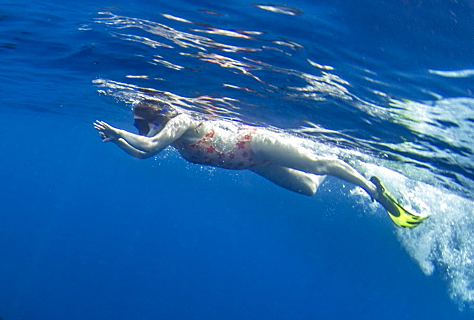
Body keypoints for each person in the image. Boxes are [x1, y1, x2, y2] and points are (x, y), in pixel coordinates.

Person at [93, 99, 426, 228]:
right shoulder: (168, 137)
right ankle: (343, 159)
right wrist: (119, 141)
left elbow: (150, 144)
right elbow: (143, 153)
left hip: (254, 142)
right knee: (310, 187)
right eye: (138, 126)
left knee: (317, 166)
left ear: (157, 114)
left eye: (141, 122)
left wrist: (119, 132)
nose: (142, 129)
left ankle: (373, 190)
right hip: (253, 164)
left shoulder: (180, 121)